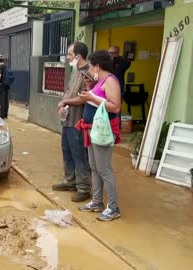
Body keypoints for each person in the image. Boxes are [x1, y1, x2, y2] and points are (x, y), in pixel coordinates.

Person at [76, 50, 122, 222]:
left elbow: (115, 106)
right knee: (94, 167)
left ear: (98, 65)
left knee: (104, 169)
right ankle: (96, 201)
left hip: (103, 130)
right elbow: (97, 99)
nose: (91, 69)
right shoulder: (99, 81)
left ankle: (113, 207)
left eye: (92, 65)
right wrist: (89, 90)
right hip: (92, 129)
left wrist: (91, 97)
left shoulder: (110, 81)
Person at [53, 42, 91, 202]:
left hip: (79, 122)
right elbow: (69, 91)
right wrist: (63, 104)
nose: (67, 57)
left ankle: (83, 188)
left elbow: (84, 97)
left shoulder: (88, 74)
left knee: (79, 154)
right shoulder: (75, 71)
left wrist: (65, 102)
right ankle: (70, 181)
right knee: (66, 150)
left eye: (69, 54)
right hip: (68, 120)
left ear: (78, 56)